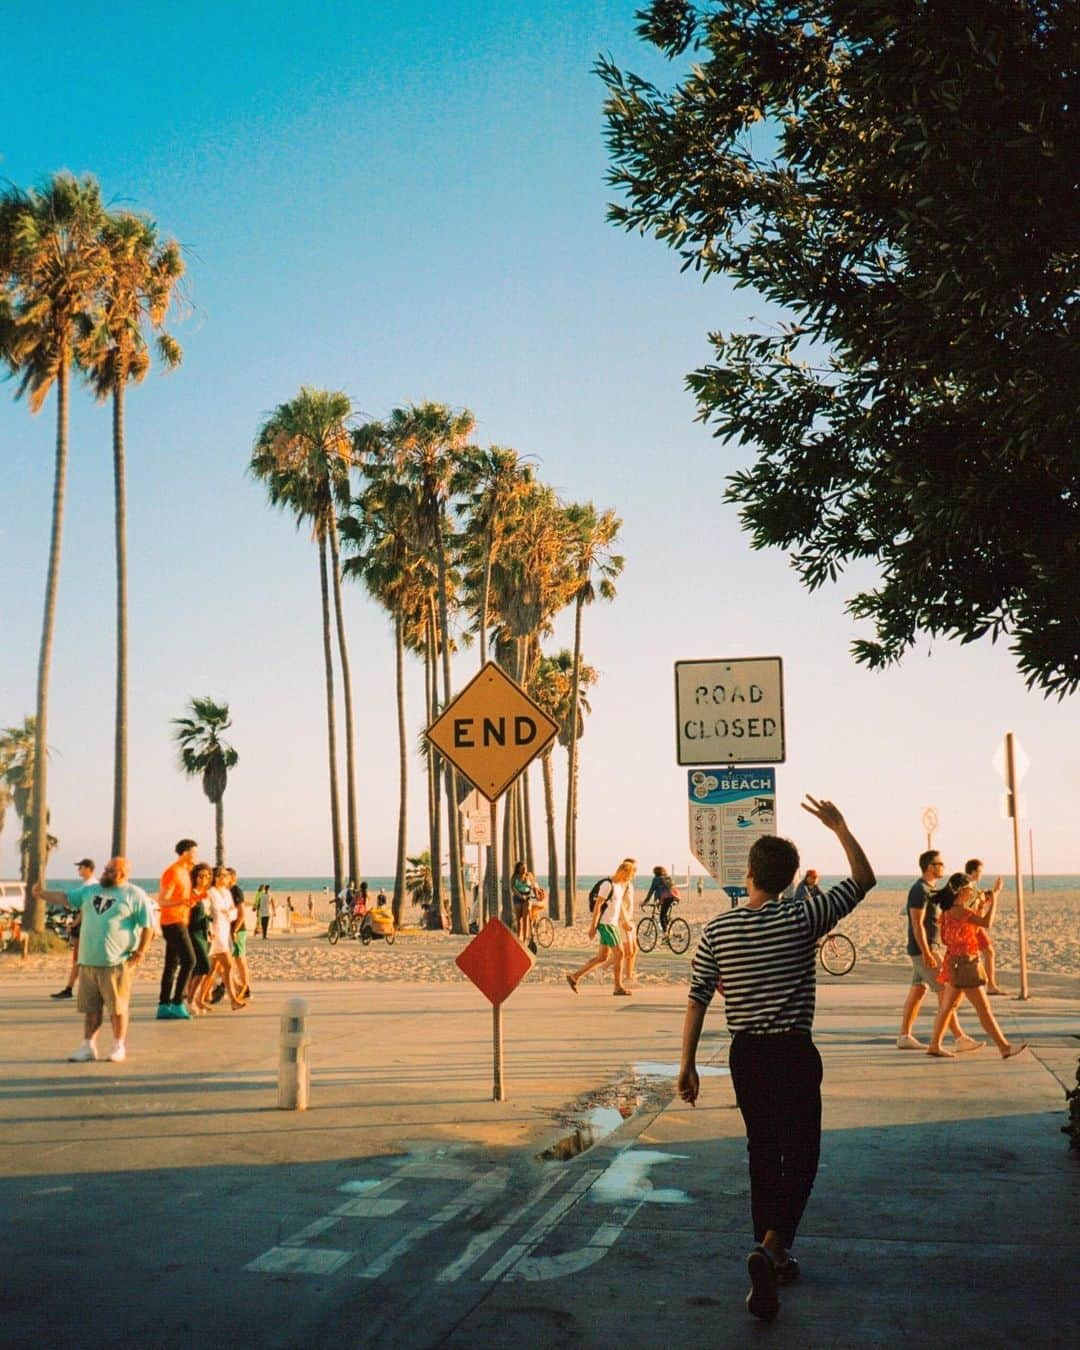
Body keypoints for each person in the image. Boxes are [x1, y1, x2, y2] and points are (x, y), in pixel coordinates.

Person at [678, 797, 875, 1323]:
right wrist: (840, 826)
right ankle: (772, 1248)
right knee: (803, 1154)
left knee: (762, 1152)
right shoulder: (802, 915)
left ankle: (770, 1253)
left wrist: (688, 1065)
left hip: (746, 1054)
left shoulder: (717, 932)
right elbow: (864, 879)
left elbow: (697, 998)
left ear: (749, 875)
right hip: (792, 1049)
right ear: (789, 879)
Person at [927, 874, 1026, 1059]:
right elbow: (986, 923)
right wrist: (995, 900)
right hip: (965, 965)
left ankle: (934, 1045)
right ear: (961, 890)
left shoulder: (950, 911)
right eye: (969, 889)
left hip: (955, 962)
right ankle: (1004, 1047)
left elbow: (974, 927)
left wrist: (985, 901)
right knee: (983, 1009)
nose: (972, 892)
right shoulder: (960, 912)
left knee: (947, 1007)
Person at [65, 857, 154, 1063]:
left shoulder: (134, 894)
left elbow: (148, 926)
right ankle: (88, 1046)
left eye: (110, 870)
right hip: (89, 961)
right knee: (91, 1008)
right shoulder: (91, 890)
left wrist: (140, 952)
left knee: (117, 1008)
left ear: (122, 873)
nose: (105, 873)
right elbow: (65, 897)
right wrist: (41, 893)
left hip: (117, 962)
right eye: (105, 869)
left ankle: (118, 1045)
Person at [896, 849, 977, 1051]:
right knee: (946, 991)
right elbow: (917, 924)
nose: (943, 867)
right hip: (924, 949)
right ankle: (959, 1038)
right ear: (930, 867)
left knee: (918, 990)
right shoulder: (919, 890)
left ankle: (904, 1036)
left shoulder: (929, 889)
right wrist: (927, 952)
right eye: (939, 864)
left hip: (927, 948)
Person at [566, 859, 635, 996]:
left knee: (602, 957)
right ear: (622, 871)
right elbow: (598, 906)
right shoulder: (607, 885)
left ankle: (574, 977)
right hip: (606, 924)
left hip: (613, 924)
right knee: (620, 953)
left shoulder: (619, 886)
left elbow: (618, 906)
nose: (628, 879)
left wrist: (624, 922)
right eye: (628, 875)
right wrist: (593, 927)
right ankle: (618, 987)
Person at [158, 838, 198, 1020]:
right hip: (172, 921)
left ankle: (163, 1006)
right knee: (190, 960)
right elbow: (163, 900)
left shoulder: (185, 872)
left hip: (180, 920)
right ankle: (177, 1003)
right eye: (194, 852)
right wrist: (181, 901)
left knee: (172, 964)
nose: (196, 856)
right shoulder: (173, 872)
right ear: (185, 853)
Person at [51, 858, 96, 999]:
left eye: (81, 867)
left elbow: (85, 908)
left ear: (89, 869)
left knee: (79, 958)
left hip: (84, 924)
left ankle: (70, 989)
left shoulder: (90, 886)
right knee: (81, 958)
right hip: (85, 923)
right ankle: (71, 988)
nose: (79, 870)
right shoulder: (90, 885)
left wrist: (74, 924)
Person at [964, 858, 1007, 995]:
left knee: (988, 952)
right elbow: (972, 906)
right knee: (972, 957)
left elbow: (982, 901)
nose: (981, 874)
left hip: (976, 926)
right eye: (980, 871)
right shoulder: (967, 887)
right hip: (970, 927)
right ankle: (984, 986)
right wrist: (995, 892)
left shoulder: (972, 887)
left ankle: (990, 985)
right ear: (973, 871)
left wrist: (996, 891)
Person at [184, 863, 214, 1013]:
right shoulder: (191, 893)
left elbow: (208, 914)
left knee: (199, 968)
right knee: (205, 965)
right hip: (192, 933)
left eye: (208, 876)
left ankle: (192, 999)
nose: (205, 879)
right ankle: (190, 1000)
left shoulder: (206, 894)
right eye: (201, 876)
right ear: (194, 877)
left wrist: (210, 927)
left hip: (204, 933)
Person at [228, 867, 251, 1001]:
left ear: (233, 877)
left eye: (227, 876)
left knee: (240, 959)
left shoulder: (236, 891)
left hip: (238, 930)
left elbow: (241, 914)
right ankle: (239, 986)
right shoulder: (226, 892)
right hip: (230, 930)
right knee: (231, 960)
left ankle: (246, 987)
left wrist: (234, 930)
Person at [643, 866, 679, 931]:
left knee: (661, 917)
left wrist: (645, 901)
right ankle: (668, 931)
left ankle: (666, 935)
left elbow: (651, 891)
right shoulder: (667, 878)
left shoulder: (656, 879)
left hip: (665, 899)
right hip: (672, 898)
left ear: (655, 873)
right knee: (664, 915)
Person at [511, 861, 533, 945]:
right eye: (522, 868)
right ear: (518, 869)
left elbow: (534, 885)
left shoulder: (529, 876)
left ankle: (524, 939)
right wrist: (520, 895)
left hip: (527, 897)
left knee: (525, 918)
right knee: (519, 919)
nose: (524, 869)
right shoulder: (515, 877)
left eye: (525, 868)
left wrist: (537, 892)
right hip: (518, 898)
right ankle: (518, 938)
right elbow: (513, 889)